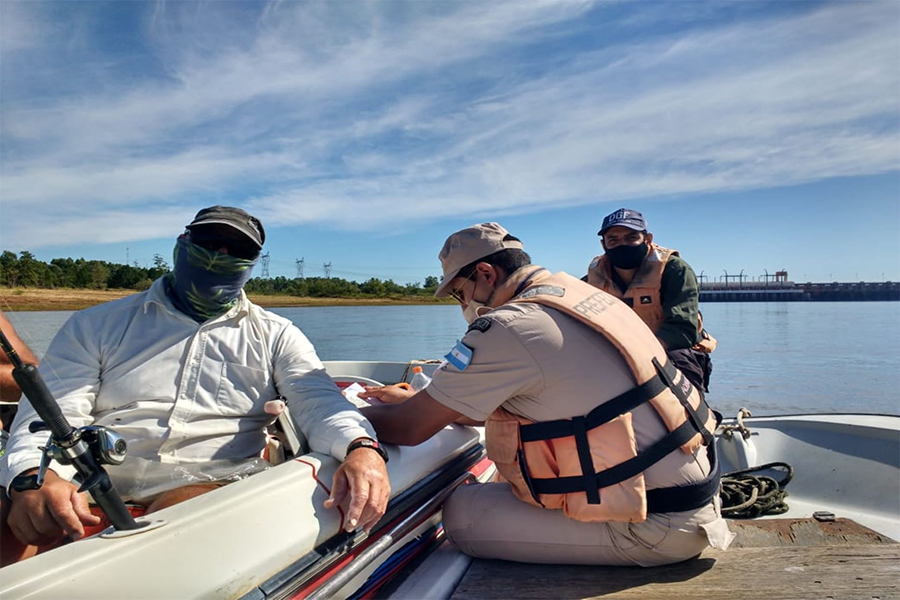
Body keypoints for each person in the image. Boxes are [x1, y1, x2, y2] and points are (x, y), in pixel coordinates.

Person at [0, 206, 390, 558]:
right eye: (208, 242)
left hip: (210, 481)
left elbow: (319, 403)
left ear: (251, 263)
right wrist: (33, 478)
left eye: (234, 250)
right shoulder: (95, 325)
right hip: (92, 477)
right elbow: (48, 413)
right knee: (21, 513)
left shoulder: (277, 335)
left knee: (180, 515)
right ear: (182, 244)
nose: (219, 255)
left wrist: (361, 447)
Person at [359, 223, 733, 566]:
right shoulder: (583, 295)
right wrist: (414, 400)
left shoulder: (509, 325)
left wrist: (350, 417)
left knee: (460, 514)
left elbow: (409, 430)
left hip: (654, 527)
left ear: (486, 274)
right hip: (698, 499)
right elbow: (479, 406)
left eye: (460, 291)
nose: (462, 304)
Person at [586, 208, 716, 394]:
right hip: (617, 355)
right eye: (613, 240)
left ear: (648, 239)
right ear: (603, 245)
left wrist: (638, 356)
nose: (622, 244)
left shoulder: (674, 269)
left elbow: (682, 330)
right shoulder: (595, 275)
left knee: (680, 362)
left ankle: (693, 419)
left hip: (671, 351)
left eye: (631, 238)